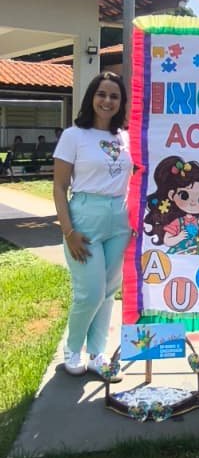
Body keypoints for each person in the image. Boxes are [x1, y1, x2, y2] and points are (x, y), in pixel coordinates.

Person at [53, 71, 133, 377]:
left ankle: (98, 353)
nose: (107, 101)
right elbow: (59, 186)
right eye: (102, 94)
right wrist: (68, 231)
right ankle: (73, 348)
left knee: (109, 291)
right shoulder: (74, 136)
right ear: (91, 97)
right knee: (90, 293)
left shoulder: (124, 137)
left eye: (114, 96)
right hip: (85, 217)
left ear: (121, 102)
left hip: (120, 219)